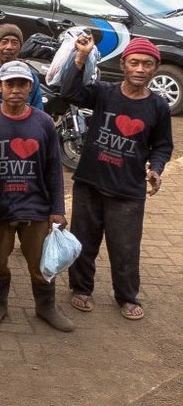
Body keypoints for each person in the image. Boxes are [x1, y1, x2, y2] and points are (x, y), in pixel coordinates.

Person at [61, 36, 173, 321]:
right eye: (134, 62)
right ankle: (81, 288)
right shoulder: (104, 92)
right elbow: (70, 93)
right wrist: (80, 58)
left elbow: (162, 145)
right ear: (123, 64)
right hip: (89, 182)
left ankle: (126, 296)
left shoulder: (158, 107)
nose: (140, 69)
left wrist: (156, 168)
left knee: (125, 247)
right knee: (83, 241)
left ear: (155, 68)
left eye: (147, 64)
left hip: (127, 190)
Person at [0, 61, 73, 332]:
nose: (16, 90)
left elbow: (53, 168)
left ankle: (45, 306)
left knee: (41, 262)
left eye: (22, 84)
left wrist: (57, 208)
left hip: (35, 207)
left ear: (30, 87)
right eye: (10, 84)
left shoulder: (44, 123)